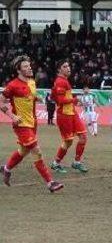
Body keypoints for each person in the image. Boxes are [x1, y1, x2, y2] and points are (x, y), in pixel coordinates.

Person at [1, 55, 63, 192]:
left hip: (33, 123)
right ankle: (50, 183)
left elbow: (31, 95)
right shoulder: (12, 85)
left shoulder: (32, 82)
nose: (29, 68)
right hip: (21, 124)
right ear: (18, 70)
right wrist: (12, 116)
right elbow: (1, 102)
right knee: (36, 151)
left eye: (29, 65)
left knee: (23, 151)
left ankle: (6, 168)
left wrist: (38, 98)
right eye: (25, 66)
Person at [50, 60, 89, 174]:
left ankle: (77, 162)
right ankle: (56, 163)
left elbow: (54, 96)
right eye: (65, 66)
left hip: (72, 113)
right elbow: (61, 100)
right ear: (59, 70)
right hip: (64, 115)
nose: (68, 68)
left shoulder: (63, 81)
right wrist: (75, 99)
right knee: (68, 141)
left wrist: (72, 102)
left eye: (68, 66)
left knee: (83, 137)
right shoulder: (60, 82)